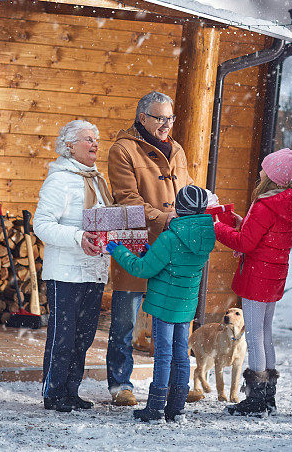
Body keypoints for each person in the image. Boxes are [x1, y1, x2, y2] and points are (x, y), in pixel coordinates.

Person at [105, 91, 193, 406]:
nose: (166, 124)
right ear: (143, 118)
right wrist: (162, 217)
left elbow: (189, 191)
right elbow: (127, 198)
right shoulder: (123, 150)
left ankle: (172, 381)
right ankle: (120, 384)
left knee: (170, 318)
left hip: (173, 247)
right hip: (137, 244)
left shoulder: (178, 150)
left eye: (170, 118)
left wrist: (203, 209)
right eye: (160, 118)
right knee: (125, 319)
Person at [106, 185, 215, 422]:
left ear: (178, 208)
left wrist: (119, 251)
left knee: (164, 354)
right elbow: (176, 264)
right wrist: (152, 252)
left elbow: (142, 269)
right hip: (185, 306)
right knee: (181, 354)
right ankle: (176, 407)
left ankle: (155, 407)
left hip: (165, 306)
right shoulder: (204, 237)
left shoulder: (169, 237)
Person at [213, 148, 292, 415]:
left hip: (257, 275)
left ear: (272, 175)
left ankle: (256, 400)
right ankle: (269, 398)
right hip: (274, 273)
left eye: (264, 168)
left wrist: (217, 226)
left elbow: (245, 243)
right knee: (265, 333)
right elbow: (265, 234)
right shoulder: (290, 200)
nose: (260, 172)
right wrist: (243, 222)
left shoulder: (265, 204)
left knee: (253, 335)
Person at [33, 120, 111, 413]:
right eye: (88, 139)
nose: (95, 144)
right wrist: (78, 237)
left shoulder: (97, 180)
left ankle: (71, 391)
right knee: (62, 336)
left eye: (97, 139)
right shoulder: (60, 180)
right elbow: (40, 224)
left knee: (84, 335)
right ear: (69, 146)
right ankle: (53, 393)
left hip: (94, 269)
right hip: (65, 272)